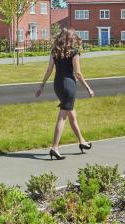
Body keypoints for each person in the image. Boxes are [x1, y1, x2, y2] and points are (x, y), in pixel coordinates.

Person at [35, 28, 94, 160]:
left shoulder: (54, 52)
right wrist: (89, 89)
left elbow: (49, 70)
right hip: (69, 86)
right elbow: (78, 73)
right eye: (73, 38)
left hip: (58, 85)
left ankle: (82, 141)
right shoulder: (74, 52)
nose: (74, 39)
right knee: (62, 117)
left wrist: (42, 86)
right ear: (69, 39)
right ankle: (54, 148)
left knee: (72, 115)